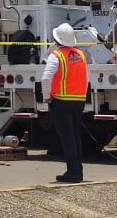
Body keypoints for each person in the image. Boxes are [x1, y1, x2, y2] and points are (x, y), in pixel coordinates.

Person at [41, 22, 88, 184]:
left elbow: (46, 77)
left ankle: (72, 173)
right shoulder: (81, 54)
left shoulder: (56, 55)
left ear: (56, 39)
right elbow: (85, 78)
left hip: (61, 100)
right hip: (78, 100)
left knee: (67, 138)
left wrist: (47, 96)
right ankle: (78, 171)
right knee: (75, 136)